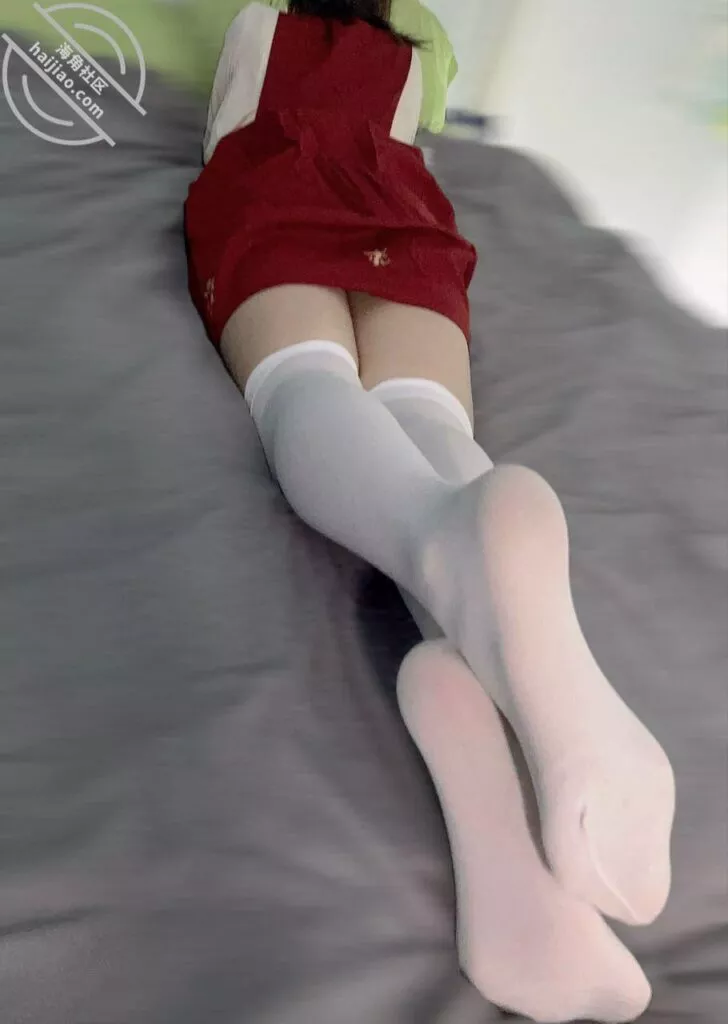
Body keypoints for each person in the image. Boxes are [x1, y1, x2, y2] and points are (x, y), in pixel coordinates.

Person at [185, 3, 676, 1021]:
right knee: (425, 415)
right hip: (406, 213)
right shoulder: (419, 44)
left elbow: (228, 128)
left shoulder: (258, 21)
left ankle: (438, 537)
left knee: (307, 385)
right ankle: (523, 877)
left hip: (274, 181)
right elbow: (412, 131)